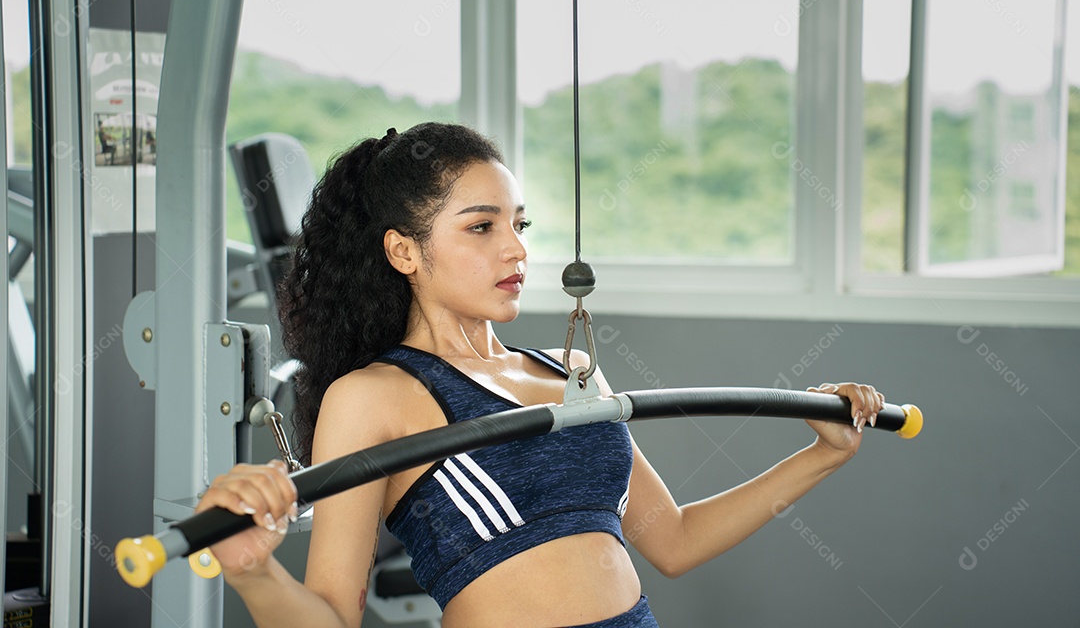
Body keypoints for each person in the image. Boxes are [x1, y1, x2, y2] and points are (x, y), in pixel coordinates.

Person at [196, 123, 884, 628]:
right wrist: (254, 572)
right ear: (404, 251)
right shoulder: (374, 397)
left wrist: (821, 455)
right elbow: (333, 619)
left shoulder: (572, 370)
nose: (516, 249)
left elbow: (671, 540)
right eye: (481, 227)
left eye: (519, 224)